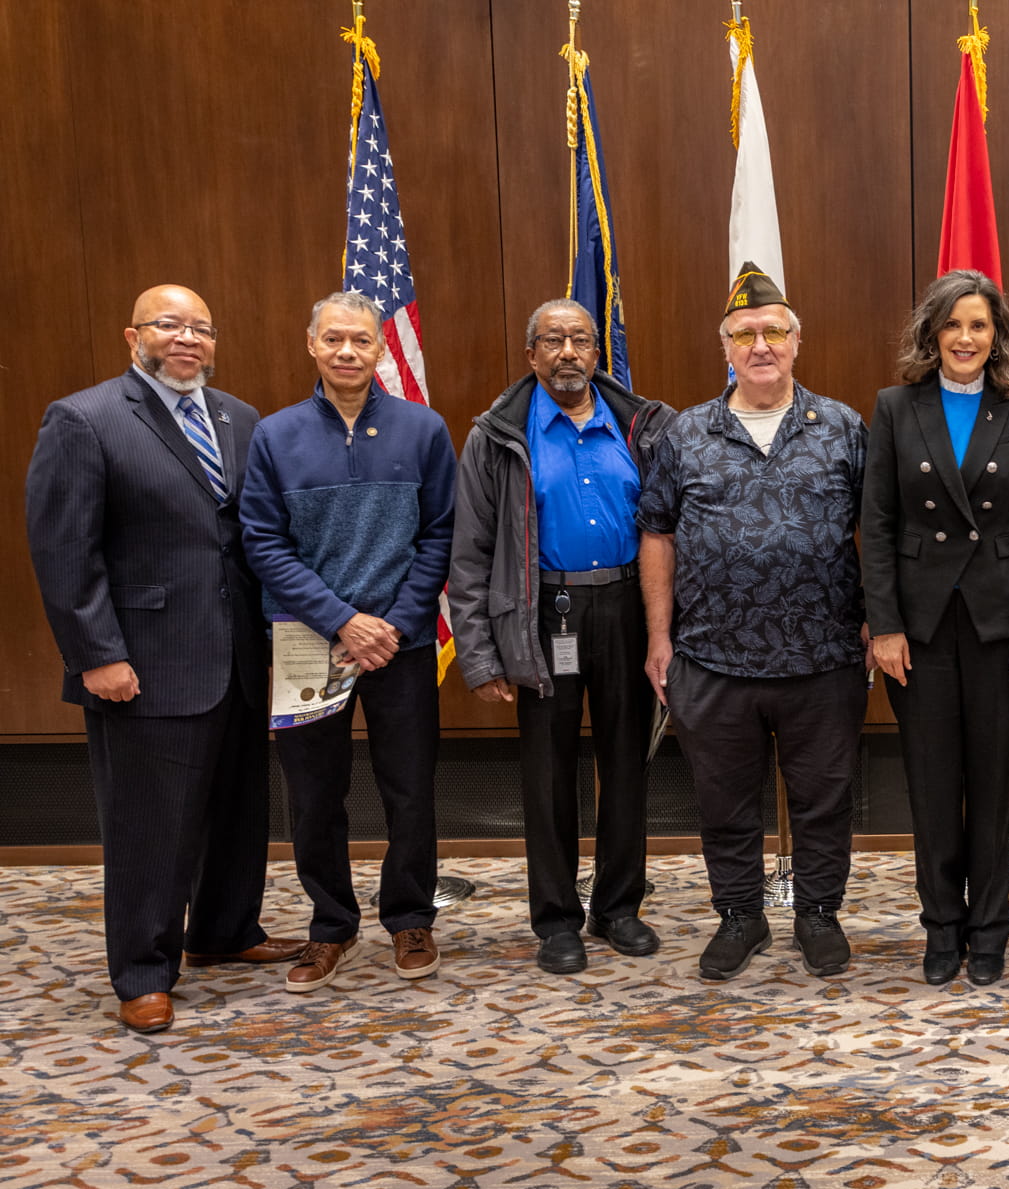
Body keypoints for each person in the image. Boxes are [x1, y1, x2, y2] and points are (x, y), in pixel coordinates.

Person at [25, 285, 303, 1033]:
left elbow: (248, 539)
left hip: (238, 657)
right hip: (143, 663)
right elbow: (63, 549)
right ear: (133, 336)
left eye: (201, 328)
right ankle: (144, 971)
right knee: (150, 825)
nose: (187, 338)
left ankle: (225, 929)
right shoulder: (85, 418)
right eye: (169, 325)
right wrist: (96, 654)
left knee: (238, 807)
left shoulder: (239, 417)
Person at [639, 263, 870, 982]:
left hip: (824, 654)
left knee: (824, 798)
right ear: (726, 347)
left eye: (774, 331)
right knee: (724, 800)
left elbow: (880, 530)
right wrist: (659, 637)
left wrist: (879, 620)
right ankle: (740, 915)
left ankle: (818, 913)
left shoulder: (843, 427)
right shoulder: (685, 433)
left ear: (797, 342)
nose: (760, 344)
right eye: (744, 334)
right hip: (713, 657)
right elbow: (657, 533)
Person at [239, 291, 457, 992]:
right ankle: (331, 924)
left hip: (401, 643)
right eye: (333, 338)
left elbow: (440, 535)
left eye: (361, 340)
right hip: (307, 642)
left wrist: (393, 622)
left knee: (410, 788)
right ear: (311, 344)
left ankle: (410, 916)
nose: (346, 351)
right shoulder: (275, 435)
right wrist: (342, 620)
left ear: (381, 348)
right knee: (312, 794)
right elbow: (262, 543)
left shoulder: (423, 429)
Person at [449, 298, 674, 975]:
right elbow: (470, 552)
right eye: (553, 340)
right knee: (547, 772)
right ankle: (555, 919)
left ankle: (618, 906)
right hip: (542, 612)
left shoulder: (640, 425)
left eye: (580, 339)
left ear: (597, 352)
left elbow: (673, 528)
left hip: (628, 605)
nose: (568, 352)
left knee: (626, 762)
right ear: (532, 355)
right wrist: (479, 653)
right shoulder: (498, 436)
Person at [861, 270, 1009, 987]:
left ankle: (990, 928)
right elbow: (877, 525)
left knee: (993, 785)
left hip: (1000, 626)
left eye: (978, 325)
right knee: (932, 784)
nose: (965, 338)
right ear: (932, 333)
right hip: (919, 627)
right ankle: (942, 927)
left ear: (996, 335)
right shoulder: (895, 406)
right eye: (952, 324)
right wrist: (884, 626)